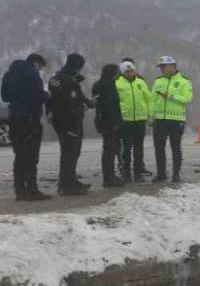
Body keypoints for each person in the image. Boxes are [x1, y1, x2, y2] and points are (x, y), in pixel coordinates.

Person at [1, 56, 51, 200]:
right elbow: (37, 96)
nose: (40, 70)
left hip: (15, 119)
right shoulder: (32, 75)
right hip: (30, 120)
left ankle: (20, 190)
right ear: (35, 63)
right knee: (31, 156)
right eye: (40, 67)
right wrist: (46, 95)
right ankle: (32, 190)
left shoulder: (9, 75)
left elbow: (5, 97)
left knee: (20, 155)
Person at [47, 53, 93, 195]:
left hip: (59, 121)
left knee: (68, 153)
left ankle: (69, 181)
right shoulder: (69, 82)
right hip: (70, 123)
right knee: (71, 153)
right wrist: (84, 106)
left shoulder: (55, 79)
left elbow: (53, 99)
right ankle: (67, 185)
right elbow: (72, 103)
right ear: (77, 66)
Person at [150, 56, 192, 182]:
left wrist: (172, 96)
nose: (161, 69)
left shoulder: (184, 81)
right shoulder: (158, 81)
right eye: (160, 67)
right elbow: (153, 100)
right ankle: (161, 174)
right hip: (160, 120)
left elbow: (187, 98)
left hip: (176, 119)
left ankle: (176, 174)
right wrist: (151, 116)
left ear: (172, 66)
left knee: (175, 148)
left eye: (164, 66)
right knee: (159, 148)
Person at [115, 60, 151, 183]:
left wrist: (150, 114)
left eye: (131, 71)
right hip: (125, 121)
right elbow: (115, 102)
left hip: (140, 120)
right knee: (126, 149)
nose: (130, 73)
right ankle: (126, 173)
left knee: (138, 148)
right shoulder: (117, 84)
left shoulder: (140, 83)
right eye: (127, 71)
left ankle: (137, 173)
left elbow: (148, 99)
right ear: (122, 72)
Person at [91, 63, 124, 188]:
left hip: (101, 120)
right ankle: (109, 177)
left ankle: (109, 176)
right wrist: (115, 123)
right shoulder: (109, 85)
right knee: (110, 150)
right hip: (110, 121)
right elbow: (111, 106)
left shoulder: (97, 85)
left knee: (108, 149)